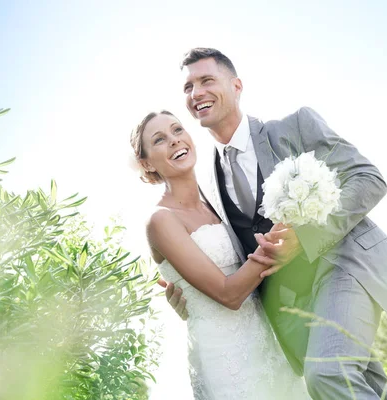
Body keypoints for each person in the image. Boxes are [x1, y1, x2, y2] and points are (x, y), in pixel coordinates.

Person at [164, 47, 387, 399]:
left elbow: (369, 179)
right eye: (187, 87)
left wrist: (305, 237)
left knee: (329, 373)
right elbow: (224, 253)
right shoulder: (209, 186)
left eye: (206, 80)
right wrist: (189, 295)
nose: (196, 93)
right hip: (294, 307)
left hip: (345, 268)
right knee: (365, 386)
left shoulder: (294, 128)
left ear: (236, 85)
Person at [130, 110, 310, 399]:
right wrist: (282, 240)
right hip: (226, 358)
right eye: (160, 139)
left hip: (266, 341)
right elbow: (228, 294)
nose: (175, 141)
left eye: (178, 130)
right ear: (146, 163)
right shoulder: (161, 220)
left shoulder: (215, 202)